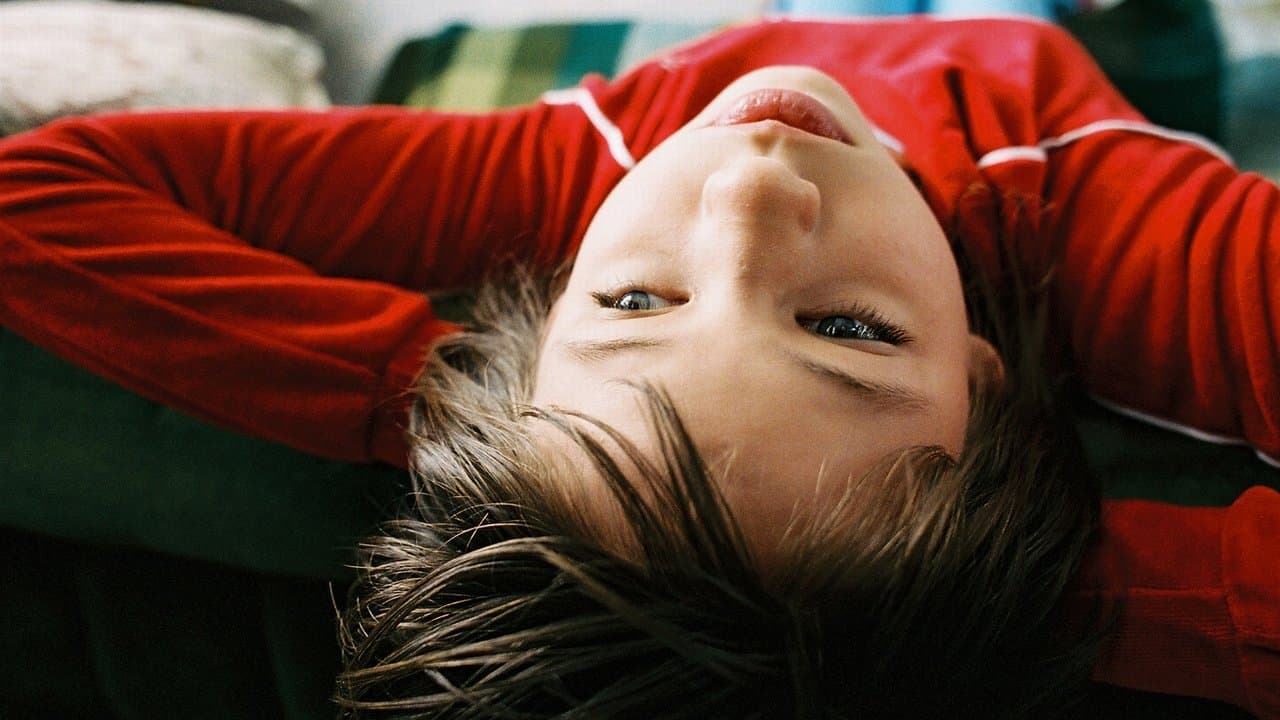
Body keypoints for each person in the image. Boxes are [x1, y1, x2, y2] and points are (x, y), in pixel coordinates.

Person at [0, 15, 1276, 720]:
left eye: (632, 303)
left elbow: (33, 198)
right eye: (846, 331)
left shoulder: (573, 169)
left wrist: (426, 390)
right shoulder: (1127, 248)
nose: (745, 194)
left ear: (541, 322)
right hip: (1025, 62)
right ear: (984, 387)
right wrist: (1019, 596)